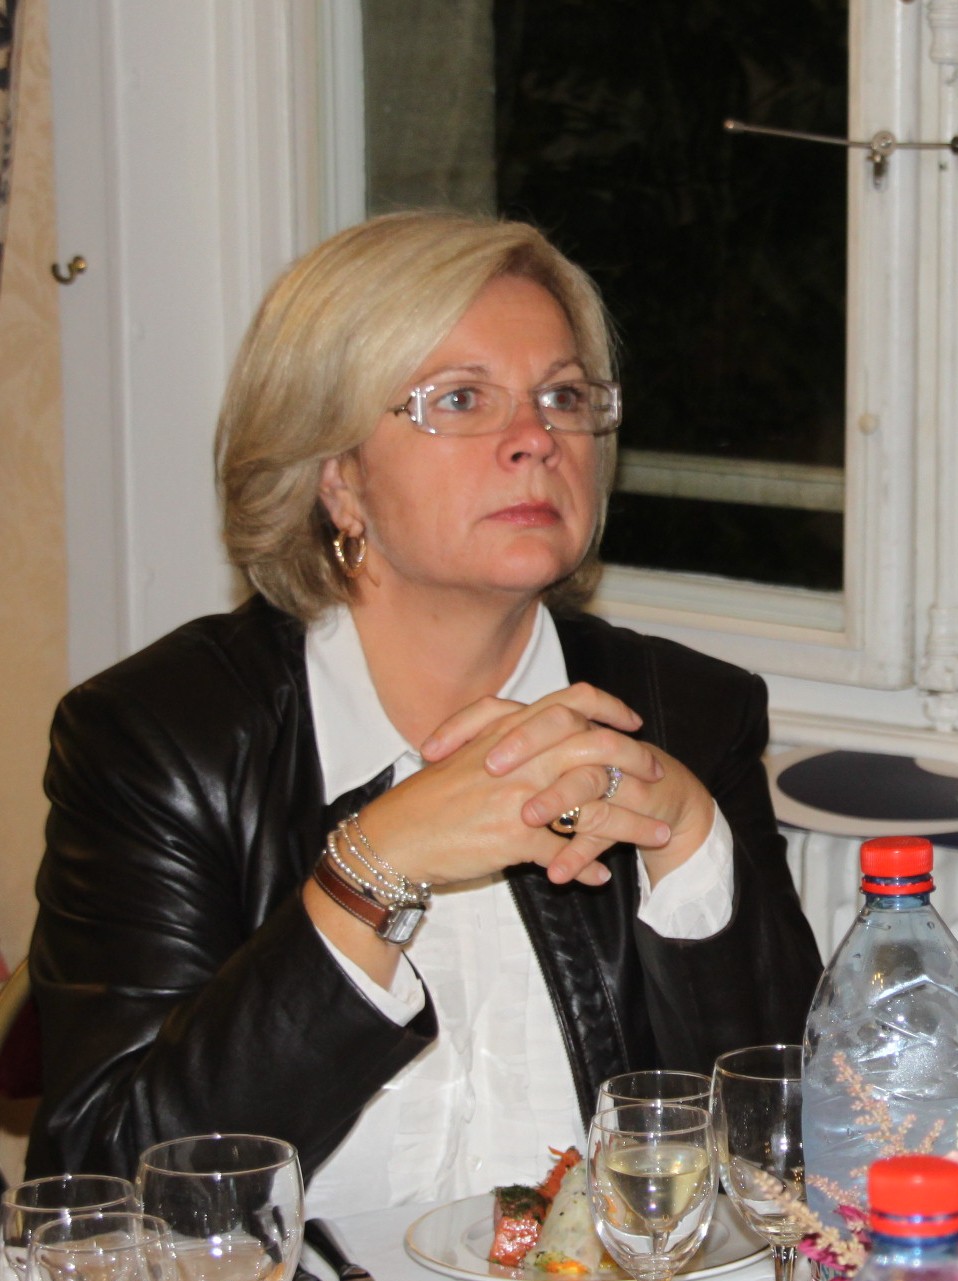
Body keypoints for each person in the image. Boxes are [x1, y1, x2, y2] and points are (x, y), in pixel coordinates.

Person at [27, 211, 823, 1214]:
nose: (536, 439)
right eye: (460, 399)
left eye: (563, 396)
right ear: (336, 475)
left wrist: (691, 841)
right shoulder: (161, 739)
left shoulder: (685, 715)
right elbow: (109, 1183)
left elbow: (801, 1161)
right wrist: (371, 871)